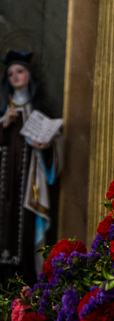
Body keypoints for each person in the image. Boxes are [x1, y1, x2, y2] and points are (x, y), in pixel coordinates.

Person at [0, 49, 61, 286]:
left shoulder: (39, 110)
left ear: (29, 75)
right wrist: (4, 125)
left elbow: (55, 144)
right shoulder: (3, 112)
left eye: (19, 71)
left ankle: (26, 285)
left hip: (28, 184)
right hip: (4, 181)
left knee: (24, 229)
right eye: (11, 73)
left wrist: (45, 147)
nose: (15, 76)